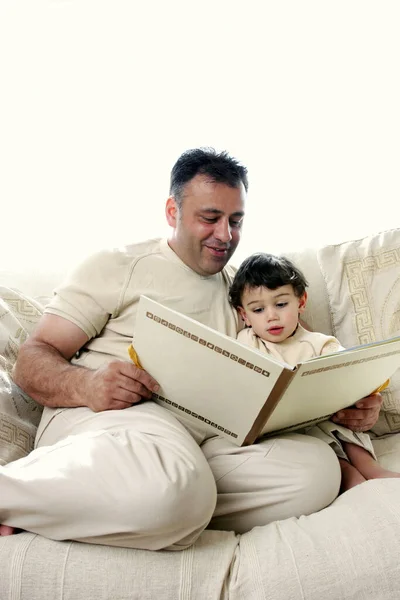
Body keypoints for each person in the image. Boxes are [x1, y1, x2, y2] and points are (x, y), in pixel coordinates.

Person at [0, 148, 383, 548]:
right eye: (210, 218)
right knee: (178, 484)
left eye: (236, 221)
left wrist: (346, 401)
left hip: (200, 443)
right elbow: (32, 359)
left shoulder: (241, 292)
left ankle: (129, 505)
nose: (225, 235)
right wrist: (89, 385)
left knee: (315, 473)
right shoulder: (118, 266)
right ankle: (33, 493)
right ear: (172, 211)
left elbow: (293, 359)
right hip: (117, 421)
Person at [229, 252, 397, 492]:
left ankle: (370, 468)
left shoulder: (319, 342)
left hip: (324, 416)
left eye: (281, 304)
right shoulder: (246, 342)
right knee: (313, 440)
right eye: (258, 310)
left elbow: (348, 370)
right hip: (287, 429)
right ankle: (347, 473)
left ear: (301, 301)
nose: (271, 316)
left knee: (338, 425)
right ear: (244, 315)